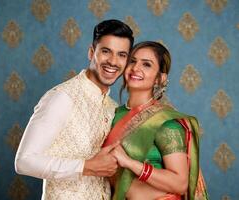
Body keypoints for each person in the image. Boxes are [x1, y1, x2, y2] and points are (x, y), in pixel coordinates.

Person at [14, 19, 134, 200]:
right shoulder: (62, 97)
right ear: (91, 52)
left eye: (122, 55)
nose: (113, 61)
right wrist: (85, 166)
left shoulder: (113, 108)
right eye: (106, 51)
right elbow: (24, 161)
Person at [103, 41, 209, 200]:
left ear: (160, 78)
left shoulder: (165, 123)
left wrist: (130, 163)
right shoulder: (112, 113)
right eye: (132, 61)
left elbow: (180, 184)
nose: (136, 68)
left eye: (146, 64)